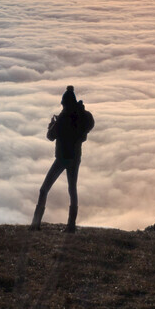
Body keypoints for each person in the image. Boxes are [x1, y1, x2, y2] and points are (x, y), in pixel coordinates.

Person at [30, 85, 94, 232]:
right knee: (72, 190)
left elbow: (50, 137)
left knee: (44, 189)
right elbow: (90, 124)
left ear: (65, 103)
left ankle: (35, 223)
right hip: (75, 158)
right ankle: (71, 225)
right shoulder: (82, 116)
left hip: (62, 159)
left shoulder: (64, 118)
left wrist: (52, 125)